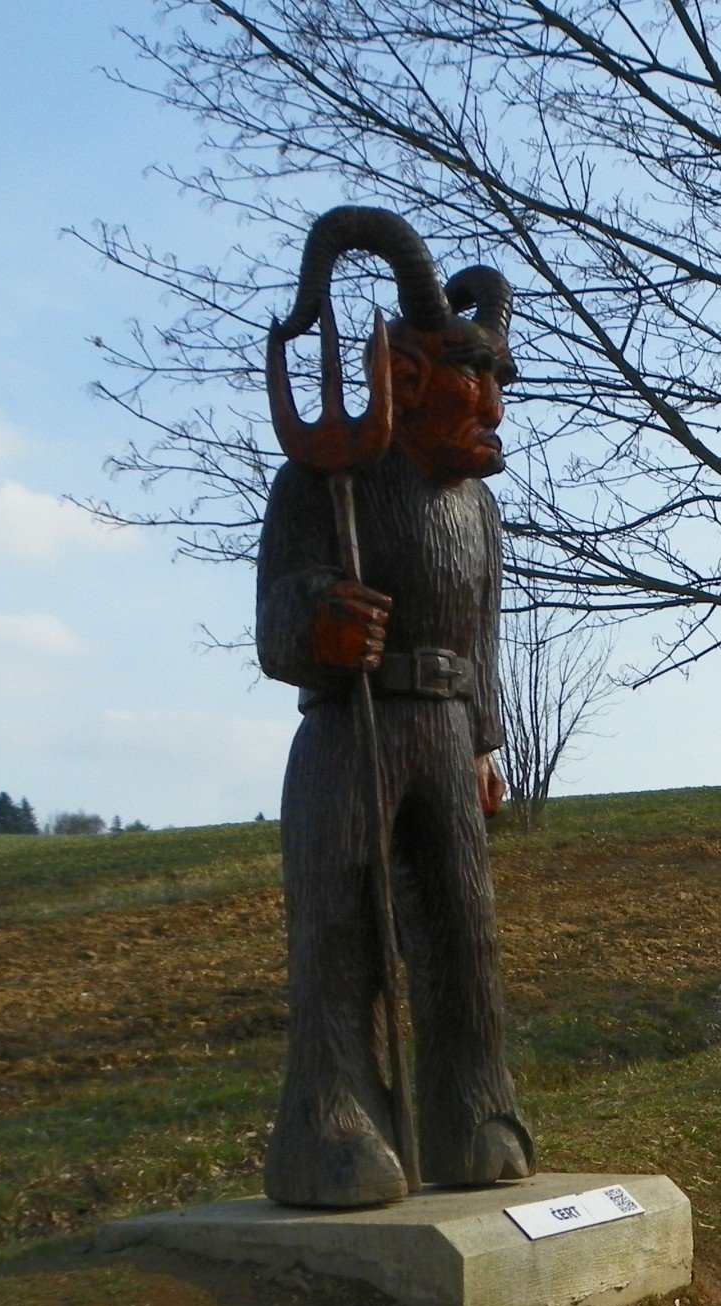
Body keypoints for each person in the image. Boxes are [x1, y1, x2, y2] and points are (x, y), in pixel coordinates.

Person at [256, 207, 534, 1208]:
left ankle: (471, 1104)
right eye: (475, 382)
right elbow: (276, 621)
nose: (494, 407)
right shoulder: (322, 481)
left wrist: (486, 742)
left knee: (464, 926)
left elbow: (483, 636)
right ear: (405, 378)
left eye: (501, 382)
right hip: (349, 735)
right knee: (340, 928)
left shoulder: (481, 509)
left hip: (447, 732)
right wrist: (318, 625)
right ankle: (328, 1116)